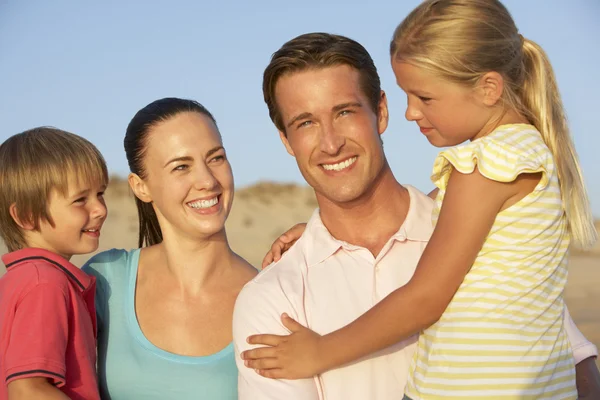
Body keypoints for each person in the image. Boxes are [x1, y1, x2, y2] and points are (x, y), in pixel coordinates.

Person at [232, 32, 600, 400]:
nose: (330, 143)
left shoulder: (483, 230)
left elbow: (574, 365)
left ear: (382, 112)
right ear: (285, 141)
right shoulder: (272, 294)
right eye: (305, 123)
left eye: (344, 112)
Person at [82, 98, 257, 399]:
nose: (207, 180)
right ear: (141, 187)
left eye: (216, 158)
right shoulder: (106, 280)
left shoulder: (269, 294)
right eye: (181, 167)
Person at [0, 127, 107, 400]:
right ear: (26, 215)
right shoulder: (45, 283)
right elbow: (27, 390)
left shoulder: (18, 281)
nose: (100, 209)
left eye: (101, 194)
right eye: (80, 200)